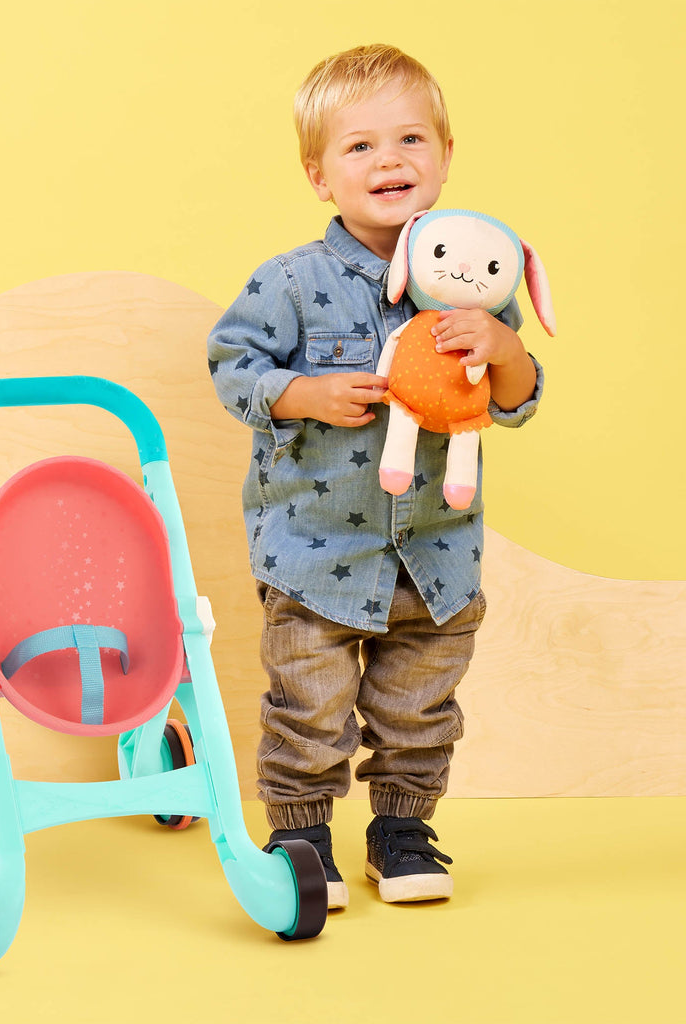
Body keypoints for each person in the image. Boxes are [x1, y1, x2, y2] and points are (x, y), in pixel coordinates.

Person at [206, 43, 543, 910]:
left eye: (409, 140)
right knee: (309, 704)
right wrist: (303, 393)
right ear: (319, 175)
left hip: (434, 554)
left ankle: (401, 831)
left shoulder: (477, 283)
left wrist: (504, 348)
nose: (389, 160)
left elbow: (515, 403)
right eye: (359, 147)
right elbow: (231, 367)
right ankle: (300, 834)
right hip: (314, 552)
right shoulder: (289, 282)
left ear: (444, 155)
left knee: (419, 708)